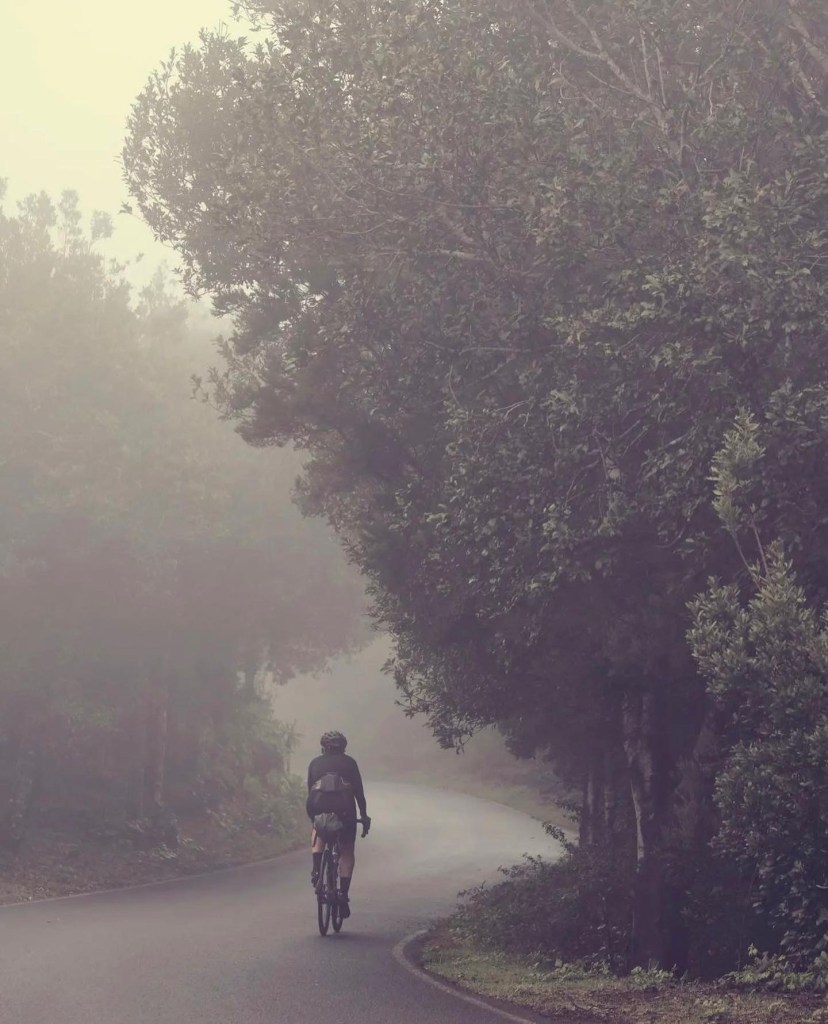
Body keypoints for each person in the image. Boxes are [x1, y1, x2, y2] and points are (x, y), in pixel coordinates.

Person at [306, 730, 370, 918]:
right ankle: (343, 894)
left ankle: (316, 869)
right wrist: (364, 816)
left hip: (317, 807)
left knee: (318, 829)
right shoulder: (350, 763)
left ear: (323, 748)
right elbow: (359, 793)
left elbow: (310, 791)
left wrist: (313, 817)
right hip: (345, 811)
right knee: (347, 851)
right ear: (343, 748)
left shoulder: (315, 763)